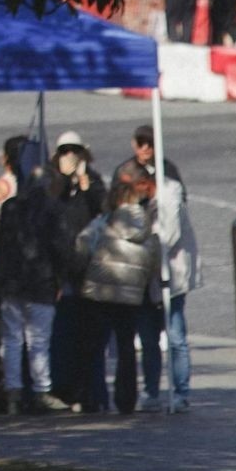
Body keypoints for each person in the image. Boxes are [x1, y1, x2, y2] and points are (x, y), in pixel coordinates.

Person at [0, 137, 68, 415]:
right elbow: (60, 248)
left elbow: (0, 247)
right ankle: (41, 390)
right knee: (39, 341)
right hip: (41, 281)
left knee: (12, 339)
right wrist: (61, 277)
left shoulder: (11, 206)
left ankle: (13, 391)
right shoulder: (53, 209)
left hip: (12, 281)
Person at [77, 172, 162, 415]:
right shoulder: (146, 228)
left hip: (100, 292)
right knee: (126, 348)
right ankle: (126, 399)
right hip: (131, 297)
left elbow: (82, 244)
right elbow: (153, 265)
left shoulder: (103, 222)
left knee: (96, 347)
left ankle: (95, 397)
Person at [44, 131, 108, 407]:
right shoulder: (50, 181)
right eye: (64, 151)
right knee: (62, 334)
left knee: (89, 335)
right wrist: (62, 182)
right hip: (61, 269)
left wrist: (85, 184)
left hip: (88, 269)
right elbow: (47, 210)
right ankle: (63, 389)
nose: (69, 156)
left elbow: (103, 209)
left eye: (75, 150)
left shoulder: (92, 180)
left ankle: (91, 393)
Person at [136, 158, 202, 413]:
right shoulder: (137, 200)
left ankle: (181, 392)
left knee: (175, 336)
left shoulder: (170, 194)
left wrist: (148, 247)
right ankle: (151, 391)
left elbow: (170, 234)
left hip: (170, 276)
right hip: (145, 279)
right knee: (148, 338)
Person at [112, 125, 184, 200]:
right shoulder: (124, 171)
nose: (145, 148)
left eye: (150, 143)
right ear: (134, 144)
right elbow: (113, 201)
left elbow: (180, 196)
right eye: (141, 143)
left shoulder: (167, 169)